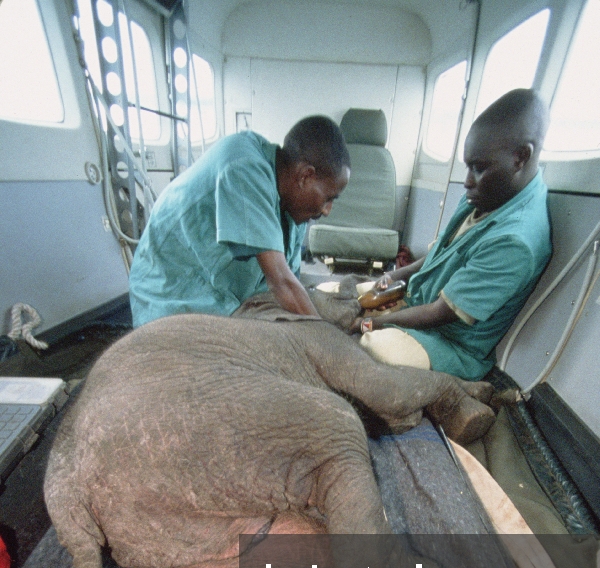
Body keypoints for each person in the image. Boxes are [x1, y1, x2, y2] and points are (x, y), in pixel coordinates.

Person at [355, 89, 552, 380]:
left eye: (480, 168)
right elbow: (438, 256)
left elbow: (439, 313)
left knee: (375, 344)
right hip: (420, 301)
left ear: (521, 157)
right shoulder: (484, 196)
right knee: (358, 294)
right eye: (468, 166)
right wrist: (391, 279)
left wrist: (377, 322)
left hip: (449, 341)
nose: (468, 180)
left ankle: (459, 397)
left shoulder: (515, 241)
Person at [129, 116, 350, 327]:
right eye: (329, 198)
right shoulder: (244, 166)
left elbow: (290, 284)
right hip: (172, 295)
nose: (327, 210)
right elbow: (281, 282)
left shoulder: (294, 210)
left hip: (228, 297)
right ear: (305, 176)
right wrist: (327, 340)